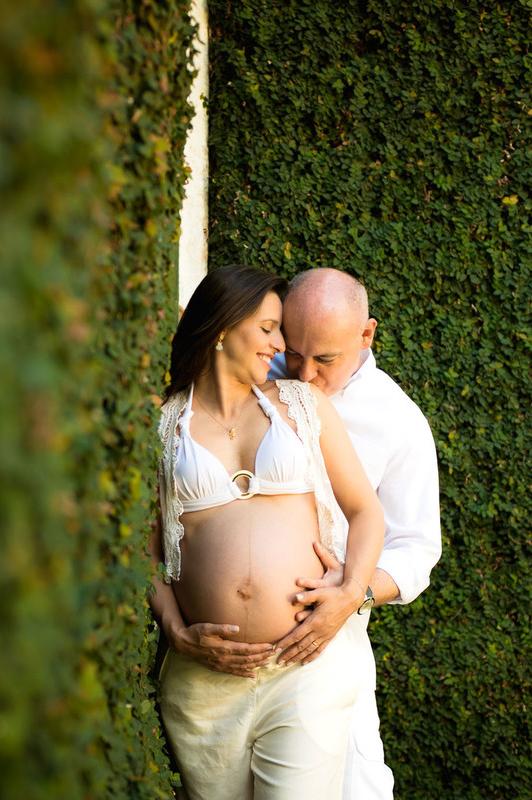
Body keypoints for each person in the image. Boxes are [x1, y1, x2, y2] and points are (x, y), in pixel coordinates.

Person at [182, 267, 441, 799]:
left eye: (324, 360)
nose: (302, 372)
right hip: (220, 675)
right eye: (293, 351)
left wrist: (353, 594)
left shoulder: (399, 422)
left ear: (366, 336)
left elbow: (418, 548)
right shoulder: (258, 372)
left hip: (322, 644)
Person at [149, 264, 385, 799]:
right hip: (206, 684)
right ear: (221, 328)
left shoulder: (303, 407)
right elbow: (142, 553)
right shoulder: (162, 427)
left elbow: (367, 512)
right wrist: (176, 633)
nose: (281, 345)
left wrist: (350, 593)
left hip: (304, 668)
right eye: (269, 328)